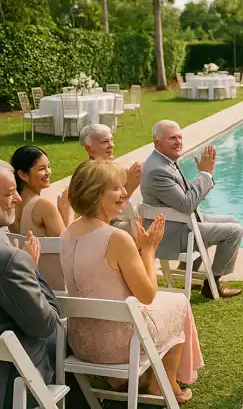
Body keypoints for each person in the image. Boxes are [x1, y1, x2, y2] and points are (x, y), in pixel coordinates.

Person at [61, 160, 203, 404]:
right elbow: (147, 295)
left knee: (160, 305)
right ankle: (164, 383)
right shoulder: (116, 238)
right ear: (95, 193)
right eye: (116, 188)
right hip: (118, 346)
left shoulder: (66, 233)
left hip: (80, 342)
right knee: (179, 301)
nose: (125, 192)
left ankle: (141, 379)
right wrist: (148, 251)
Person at [140, 120, 243, 299]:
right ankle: (212, 286)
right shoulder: (158, 170)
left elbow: (187, 196)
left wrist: (203, 175)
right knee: (234, 231)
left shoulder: (165, 160)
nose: (178, 141)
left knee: (232, 220)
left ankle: (190, 269)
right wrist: (205, 175)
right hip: (173, 234)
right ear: (157, 143)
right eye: (172, 138)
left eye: (180, 137)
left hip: (180, 222)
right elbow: (188, 204)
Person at [0, 160, 61, 408]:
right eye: (8, 193)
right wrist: (31, 268)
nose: (16, 197)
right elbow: (46, 324)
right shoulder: (10, 259)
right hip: (13, 382)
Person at [9, 145, 72, 290]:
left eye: (49, 167)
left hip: (25, 279)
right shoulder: (43, 206)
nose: (48, 172)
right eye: (41, 169)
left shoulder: (11, 203)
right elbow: (67, 248)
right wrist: (66, 213)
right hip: (52, 284)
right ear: (23, 175)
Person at [80, 123, 142, 198]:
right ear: (89, 148)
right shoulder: (89, 177)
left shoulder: (120, 170)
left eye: (111, 140)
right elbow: (107, 208)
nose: (111, 145)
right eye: (105, 142)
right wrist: (130, 187)